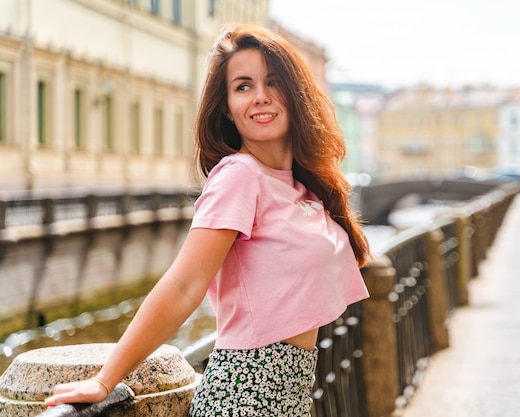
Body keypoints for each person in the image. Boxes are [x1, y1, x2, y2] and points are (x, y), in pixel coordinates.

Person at [44, 23, 370, 416]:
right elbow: (184, 284)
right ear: (228, 109)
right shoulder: (239, 176)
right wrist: (104, 379)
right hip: (243, 398)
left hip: (287, 397)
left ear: (296, 93)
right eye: (243, 86)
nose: (261, 97)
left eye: (273, 82)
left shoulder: (301, 185)